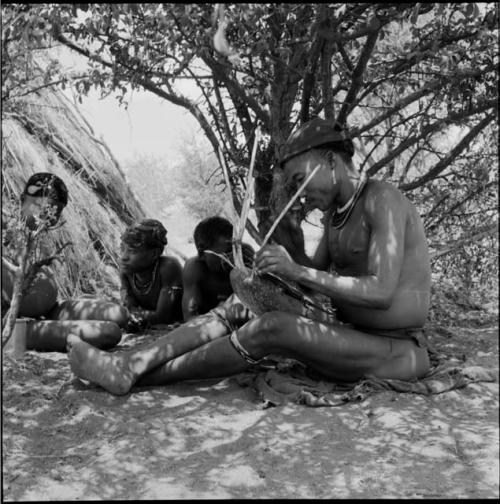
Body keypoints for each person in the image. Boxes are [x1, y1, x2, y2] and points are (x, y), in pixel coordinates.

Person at [67, 117, 432, 395]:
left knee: (272, 328)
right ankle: (131, 363)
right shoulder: (335, 217)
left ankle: (138, 377)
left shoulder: (382, 200)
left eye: (299, 180)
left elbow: (381, 292)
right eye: (292, 186)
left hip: (395, 352)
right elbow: (310, 279)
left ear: (331, 162)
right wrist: (268, 276)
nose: (298, 193)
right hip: (351, 335)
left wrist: (297, 272)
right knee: (239, 306)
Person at [2, 172, 128, 351]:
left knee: (119, 314)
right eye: (41, 208)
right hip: (15, 323)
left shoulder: (37, 234)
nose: (50, 217)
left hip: (51, 310)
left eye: (55, 212)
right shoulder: (6, 228)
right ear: (23, 199)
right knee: (108, 332)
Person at [182, 216, 254, 321]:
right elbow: (190, 318)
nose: (233, 256)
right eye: (226, 253)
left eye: (234, 249)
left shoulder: (244, 254)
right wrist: (220, 313)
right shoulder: (194, 268)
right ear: (202, 253)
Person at [120, 219, 183, 327]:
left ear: (154, 253)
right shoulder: (127, 272)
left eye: (132, 251)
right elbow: (130, 309)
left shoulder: (168, 267)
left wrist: (129, 315)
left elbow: (163, 317)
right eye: (123, 249)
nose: (124, 257)